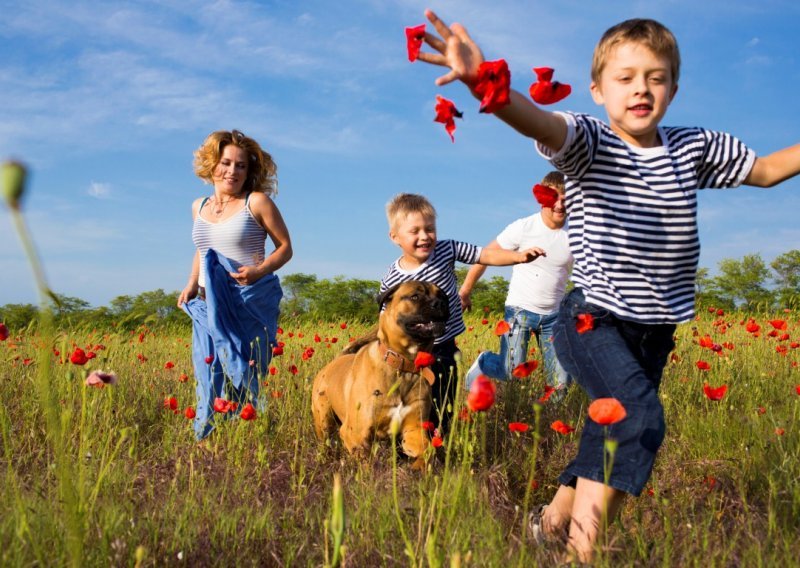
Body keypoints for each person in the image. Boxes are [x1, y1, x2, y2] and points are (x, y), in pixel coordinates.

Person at [413, 10, 800, 563]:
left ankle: (547, 524)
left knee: (604, 434)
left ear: (673, 86)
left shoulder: (693, 147)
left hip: (654, 331)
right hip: (593, 320)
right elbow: (542, 123)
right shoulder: (590, 142)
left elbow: (763, 170)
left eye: (656, 76)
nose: (641, 87)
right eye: (625, 77)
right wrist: (488, 87)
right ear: (597, 90)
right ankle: (580, 555)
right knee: (637, 418)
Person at [381, 193, 545, 433]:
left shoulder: (447, 249)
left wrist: (518, 257)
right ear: (395, 237)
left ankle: (439, 444)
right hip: (409, 354)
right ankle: (406, 449)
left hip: (443, 348)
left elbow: (484, 255)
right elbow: (385, 318)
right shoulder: (392, 278)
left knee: (442, 407)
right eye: (414, 231)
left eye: (429, 228)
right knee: (407, 406)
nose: (425, 236)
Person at [177, 129, 292, 441]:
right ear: (212, 164)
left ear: (249, 170)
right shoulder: (198, 206)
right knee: (209, 373)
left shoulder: (256, 202)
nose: (232, 171)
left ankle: (252, 440)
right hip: (208, 304)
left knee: (245, 373)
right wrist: (190, 284)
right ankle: (210, 440)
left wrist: (259, 270)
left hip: (247, 301)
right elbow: (203, 250)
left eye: (240, 165)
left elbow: (285, 248)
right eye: (226, 163)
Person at [459, 171, 573, 398]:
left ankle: (550, 426)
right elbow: (485, 255)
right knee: (511, 371)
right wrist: (465, 290)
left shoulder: (576, 233)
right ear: (542, 199)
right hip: (520, 310)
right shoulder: (524, 227)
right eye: (554, 197)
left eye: (566, 198)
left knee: (560, 383)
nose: (560, 204)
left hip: (555, 316)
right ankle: (484, 362)